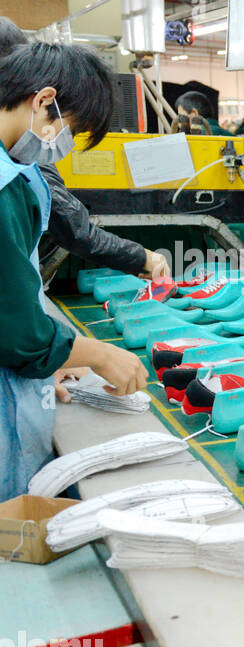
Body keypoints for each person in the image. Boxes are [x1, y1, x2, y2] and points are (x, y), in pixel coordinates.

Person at [0, 41, 148, 500]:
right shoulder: (4, 188)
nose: (61, 147)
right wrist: (96, 354)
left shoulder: (15, 170)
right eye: (69, 130)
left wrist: (59, 357)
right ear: (43, 101)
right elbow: (19, 330)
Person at [0, 19, 167, 281]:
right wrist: (139, 258)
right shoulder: (8, 175)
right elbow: (69, 223)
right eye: (74, 131)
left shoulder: (17, 149)